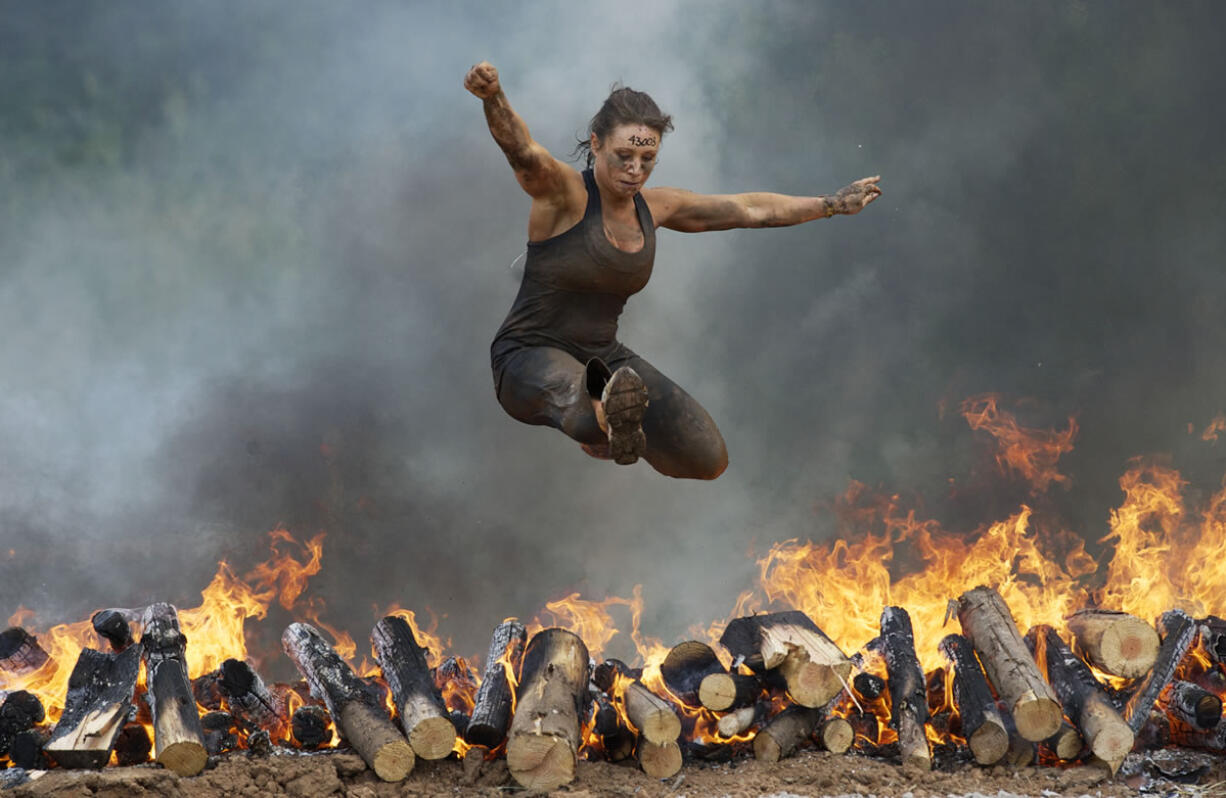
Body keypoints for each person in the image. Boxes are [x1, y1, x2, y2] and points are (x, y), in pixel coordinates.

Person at [465, 61, 881, 480]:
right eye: (623, 156)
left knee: (707, 457)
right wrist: (493, 97)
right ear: (596, 144)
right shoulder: (564, 194)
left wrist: (831, 204)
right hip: (526, 357)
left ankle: (617, 427)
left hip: (604, 357)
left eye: (648, 158)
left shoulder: (657, 206)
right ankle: (603, 419)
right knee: (582, 395)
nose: (635, 170)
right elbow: (522, 151)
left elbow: (750, 209)